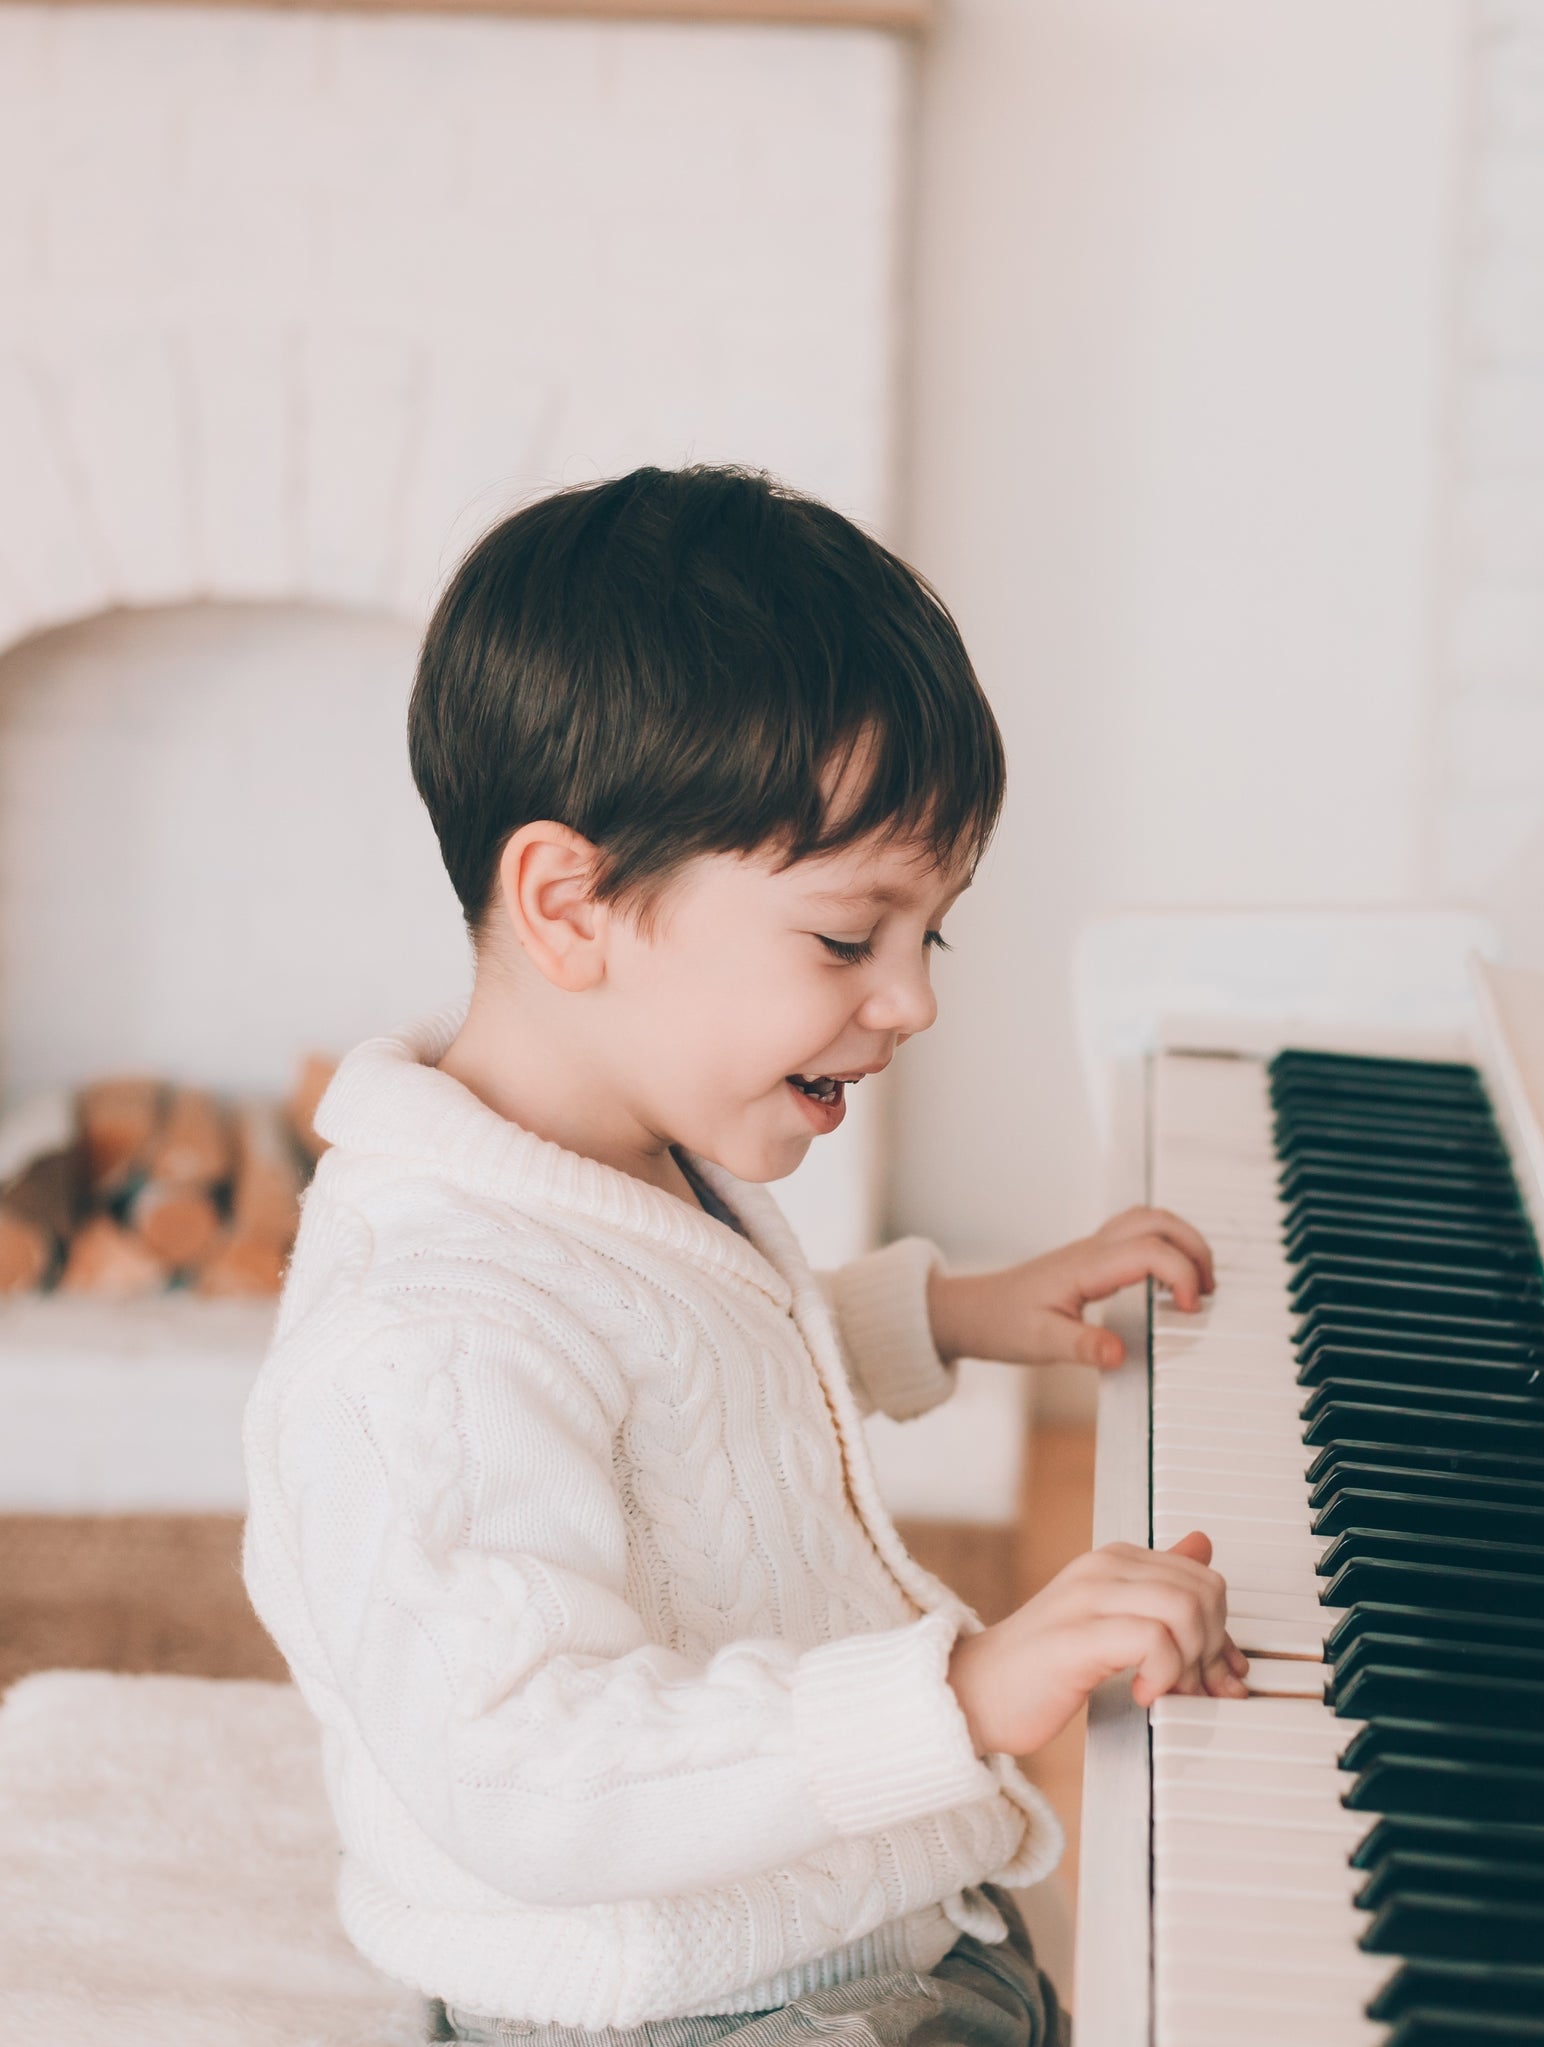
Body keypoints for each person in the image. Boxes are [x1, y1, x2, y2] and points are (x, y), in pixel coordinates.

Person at [240, 465, 1244, 2047]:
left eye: (935, 935)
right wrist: (961, 1697)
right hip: (684, 2010)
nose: (911, 1000)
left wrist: (951, 1316)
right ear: (572, 904)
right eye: (851, 938)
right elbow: (530, 1767)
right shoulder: (423, 1336)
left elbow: (683, 1390)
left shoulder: (605, 1163)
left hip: (822, 1942)